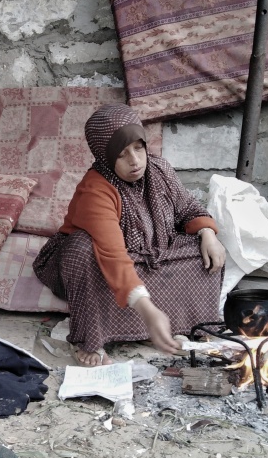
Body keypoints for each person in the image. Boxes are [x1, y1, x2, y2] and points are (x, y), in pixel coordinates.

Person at [33, 104, 226, 365]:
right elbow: (113, 255)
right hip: (97, 263)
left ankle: (157, 328)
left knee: (203, 250)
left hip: (146, 256)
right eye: (122, 154)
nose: (134, 160)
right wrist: (147, 311)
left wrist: (207, 233)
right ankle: (95, 337)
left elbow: (188, 208)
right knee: (81, 249)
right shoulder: (96, 189)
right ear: (105, 156)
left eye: (138, 147)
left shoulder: (159, 169)